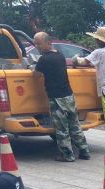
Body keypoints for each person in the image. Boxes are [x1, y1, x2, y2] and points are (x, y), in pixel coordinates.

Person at [33, 32, 90, 163]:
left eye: (39, 43)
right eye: (35, 43)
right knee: (75, 125)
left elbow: (36, 74)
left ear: (48, 43)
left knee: (61, 128)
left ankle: (67, 155)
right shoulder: (60, 56)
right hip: (69, 95)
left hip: (56, 98)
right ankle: (84, 151)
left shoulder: (44, 59)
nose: (37, 46)